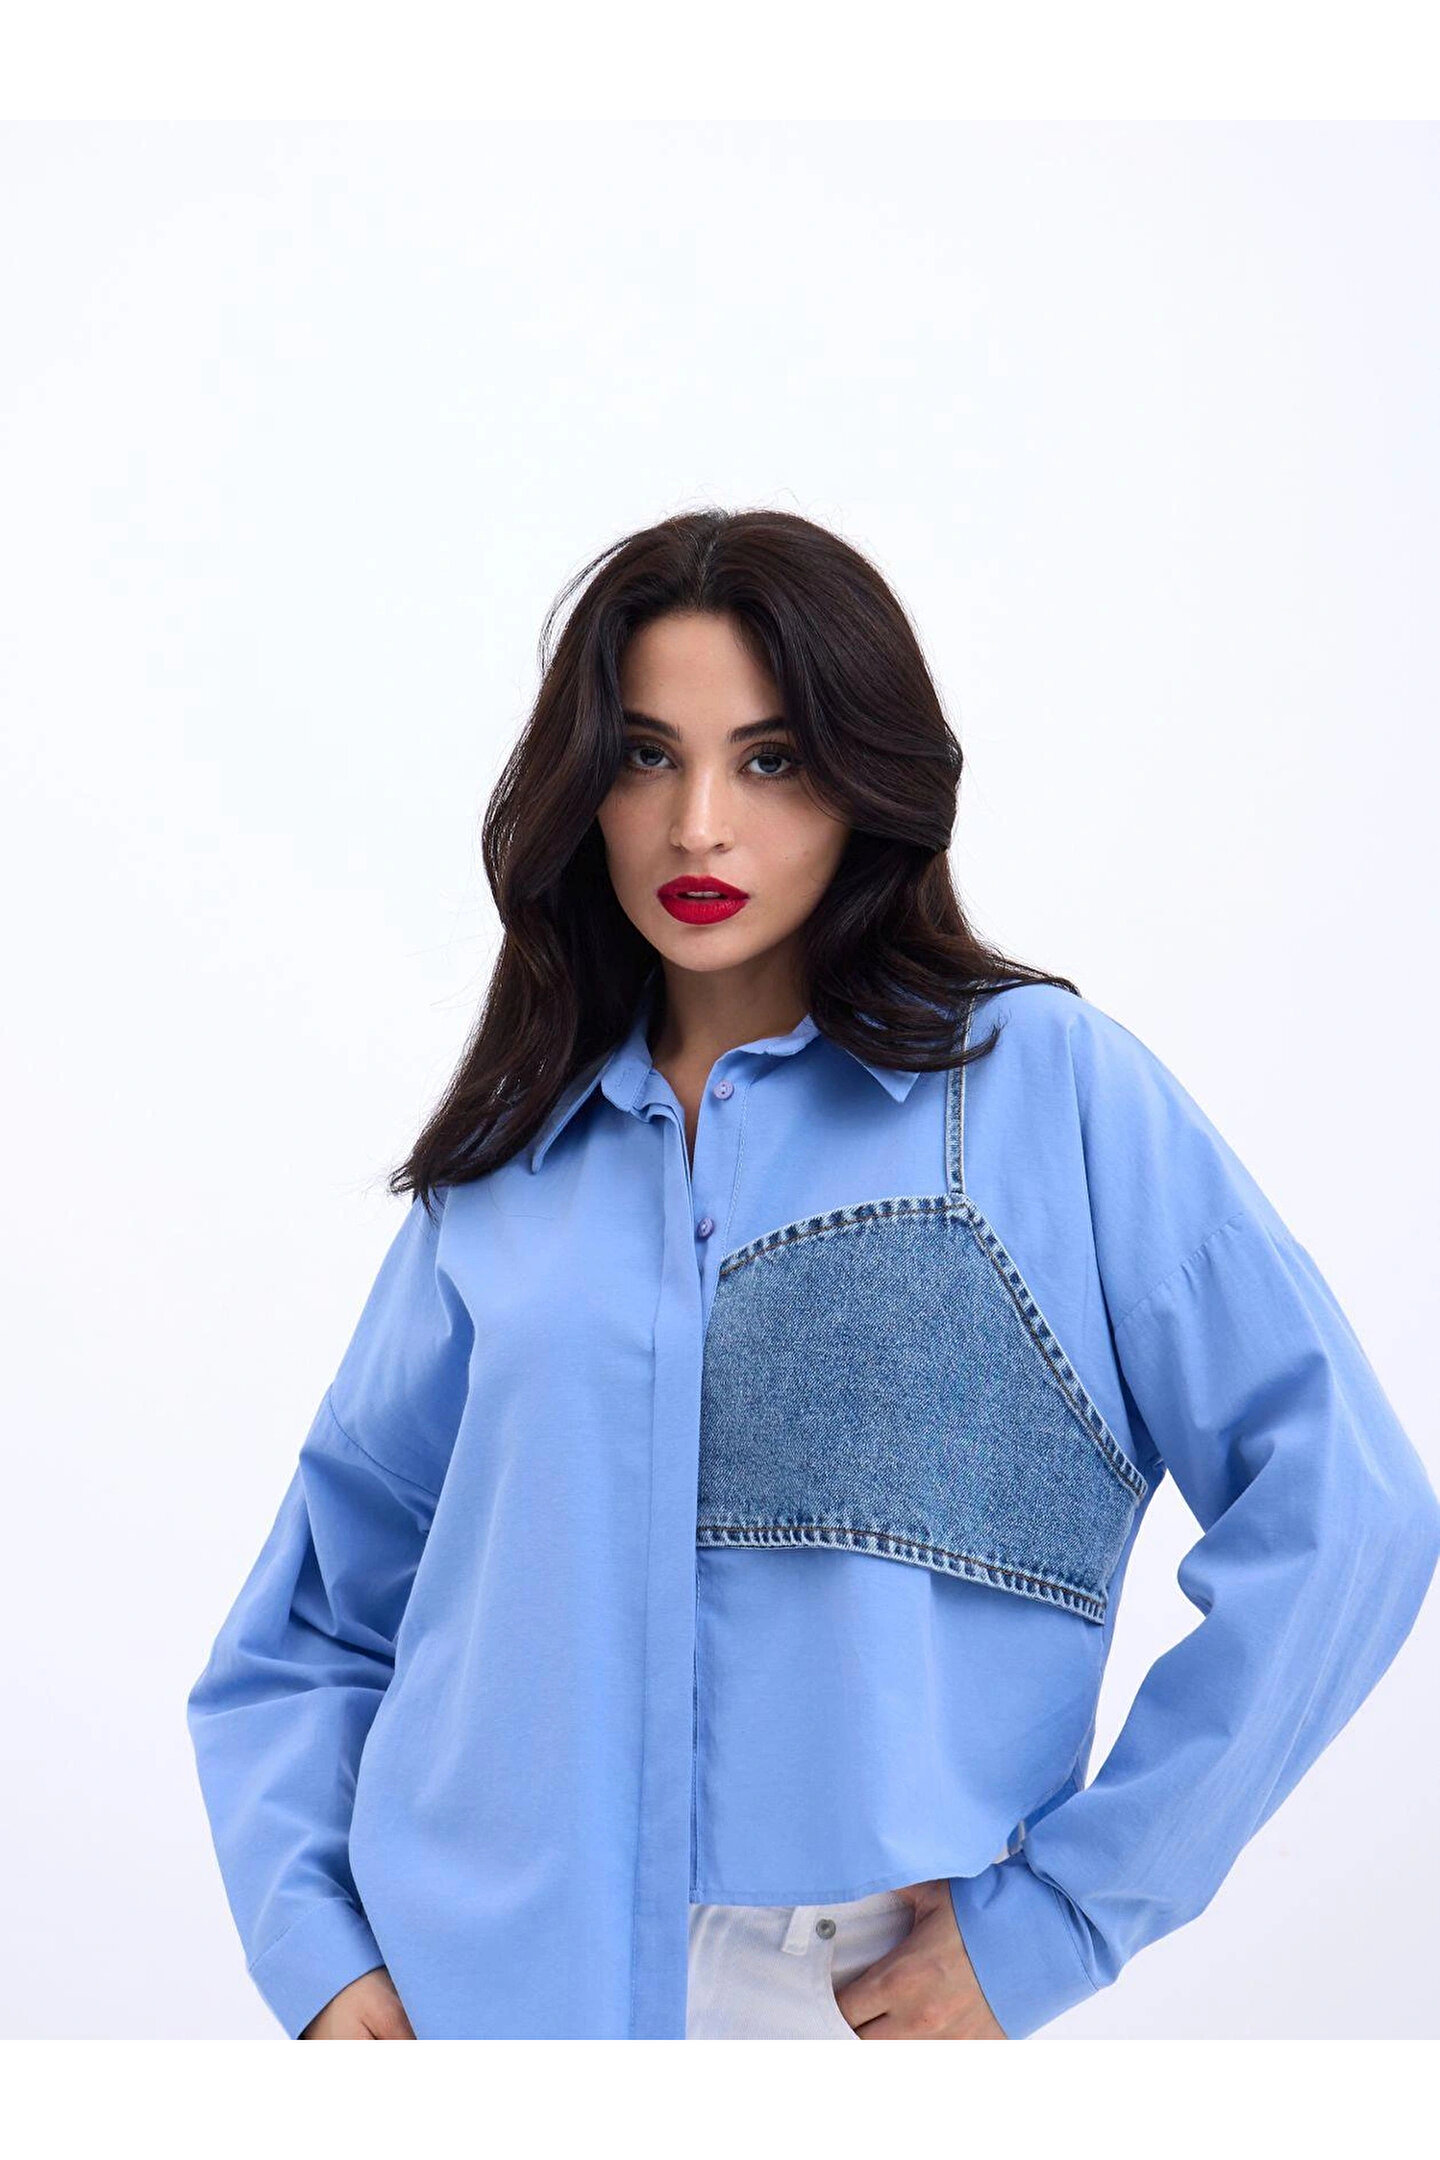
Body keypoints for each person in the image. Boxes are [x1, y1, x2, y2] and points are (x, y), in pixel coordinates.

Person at [185, 508, 1440, 2041]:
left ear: (865, 781)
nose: (698, 825)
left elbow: (1350, 1515)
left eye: (769, 759)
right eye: (646, 757)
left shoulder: (1040, 1092)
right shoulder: (511, 1167)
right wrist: (324, 1957)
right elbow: (314, 1623)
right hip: (479, 2002)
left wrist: (1065, 1916)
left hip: (842, 2002)